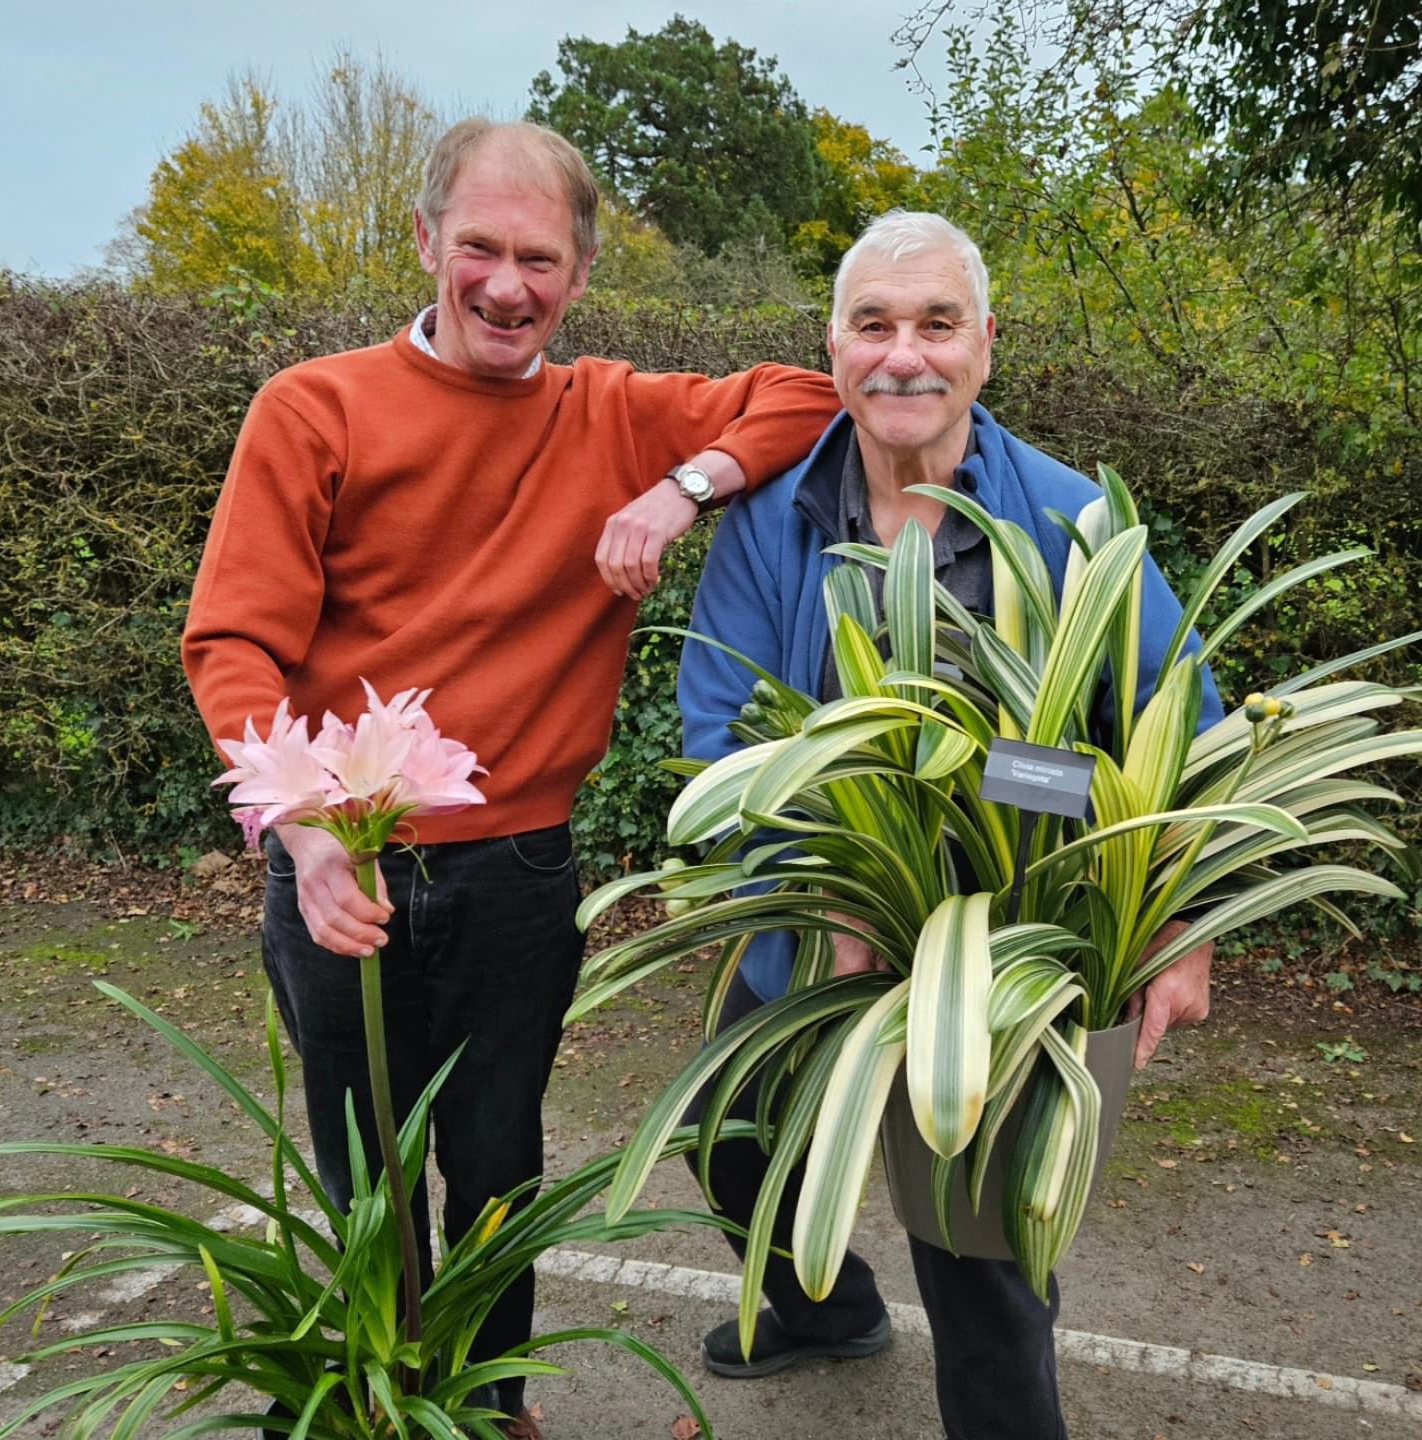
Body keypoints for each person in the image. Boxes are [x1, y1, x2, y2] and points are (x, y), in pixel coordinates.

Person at [182, 117, 839, 1439]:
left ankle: (492, 1409)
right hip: (337, 857)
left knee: (495, 1165)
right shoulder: (315, 407)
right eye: (477, 246)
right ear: (425, 241)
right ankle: (384, 1404)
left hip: (520, 870)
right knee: (366, 1167)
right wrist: (305, 837)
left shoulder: (611, 412)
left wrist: (678, 492)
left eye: (538, 258)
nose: (505, 284)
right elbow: (234, 641)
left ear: (580, 274)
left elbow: (808, 396)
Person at [676, 210, 1223, 1440]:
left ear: (985, 346)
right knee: (727, 1134)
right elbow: (721, 728)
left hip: (1007, 958)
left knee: (983, 1271)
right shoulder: (774, 520)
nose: (903, 355)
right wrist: (827, 883)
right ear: (834, 346)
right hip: (818, 920)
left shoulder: (1076, 521)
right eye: (873, 324)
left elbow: (1180, 732)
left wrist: (1180, 910)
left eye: (936, 323)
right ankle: (822, 1310)